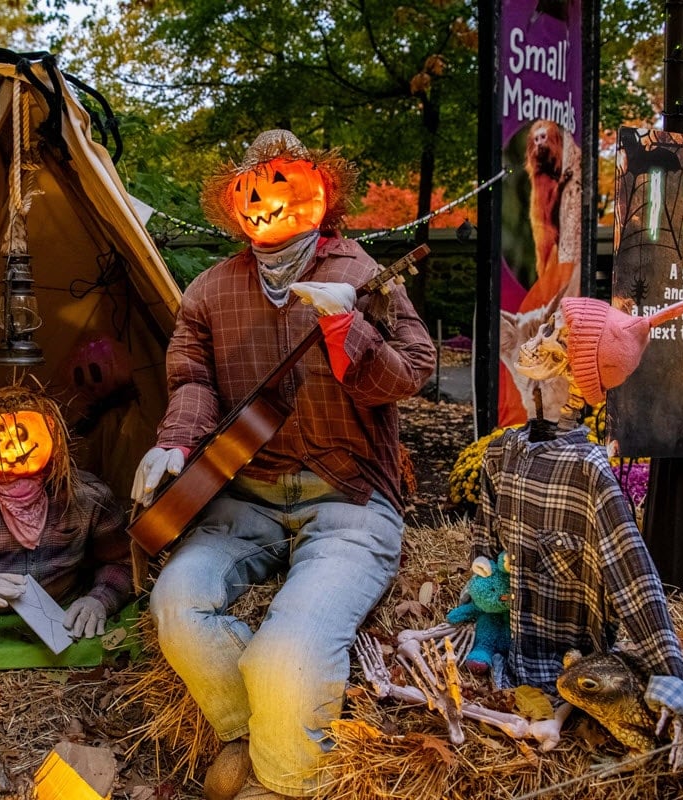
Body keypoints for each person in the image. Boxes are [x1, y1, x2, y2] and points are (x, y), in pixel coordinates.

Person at [131, 130, 436, 800]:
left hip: (349, 499)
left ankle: (283, 782)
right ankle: (246, 731)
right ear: (233, 204)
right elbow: (193, 381)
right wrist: (175, 443)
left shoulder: (360, 275)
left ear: (321, 191)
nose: (265, 203)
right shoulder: (208, 291)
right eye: (250, 190)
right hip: (246, 497)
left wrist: (345, 329)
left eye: (283, 185)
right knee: (176, 604)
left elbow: (413, 373)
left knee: (288, 656)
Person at [0, 385, 132, 640]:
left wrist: (99, 600)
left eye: (23, 434)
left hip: (65, 615)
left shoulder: (89, 495)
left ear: (51, 434)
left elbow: (123, 561)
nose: (12, 448)